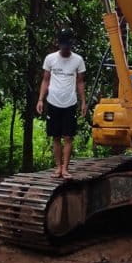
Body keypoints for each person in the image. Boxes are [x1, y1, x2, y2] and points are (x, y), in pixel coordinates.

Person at [36, 30, 87, 179]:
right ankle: (58, 167)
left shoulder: (78, 60)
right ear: (59, 44)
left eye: (68, 46)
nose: (66, 49)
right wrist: (40, 99)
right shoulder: (50, 59)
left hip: (70, 102)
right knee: (56, 136)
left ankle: (65, 168)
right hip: (53, 101)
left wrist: (83, 101)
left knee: (68, 137)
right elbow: (45, 79)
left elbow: (80, 82)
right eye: (63, 46)